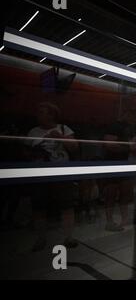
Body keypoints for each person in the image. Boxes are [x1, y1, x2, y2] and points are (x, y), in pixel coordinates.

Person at [26, 102, 79, 251]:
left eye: (42, 112)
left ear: (51, 115)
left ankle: (69, 237)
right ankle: (40, 238)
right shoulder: (33, 132)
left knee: (67, 206)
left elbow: (74, 147)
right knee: (39, 207)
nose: (38, 115)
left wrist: (60, 136)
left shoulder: (63, 128)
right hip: (40, 174)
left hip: (62, 173)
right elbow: (26, 152)